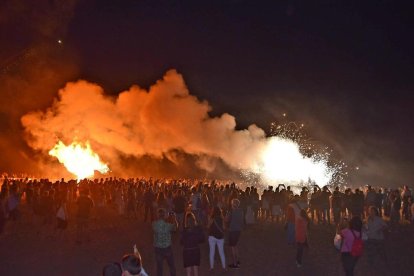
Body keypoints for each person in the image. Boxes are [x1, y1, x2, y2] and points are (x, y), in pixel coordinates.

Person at [152, 208, 178, 276]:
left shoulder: (154, 224)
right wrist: (174, 218)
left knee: (159, 267)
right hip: (167, 247)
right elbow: (175, 228)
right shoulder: (168, 225)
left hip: (158, 248)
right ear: (164, 215)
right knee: (171, 265)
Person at [181, 212, 204, 276]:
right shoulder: (197, 228)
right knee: (195, 270)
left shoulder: (184, 230)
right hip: (195, 250)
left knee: (188, 272)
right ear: (194, 219)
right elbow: (202, 239)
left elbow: (181, 242)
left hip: (187, 250)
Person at [208, 206, 226, 271]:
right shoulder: (222, 218)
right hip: (220, 237)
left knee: (212, 252)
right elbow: (224, 228)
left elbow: (208, 226)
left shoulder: (211, 218)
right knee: (221, 252)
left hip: (212, 236)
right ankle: (224, 267)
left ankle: (211, 267)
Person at [226, 198, 243, 269]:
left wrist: (227, 215)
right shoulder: (241, 211)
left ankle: (235, 263)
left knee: (232, 247)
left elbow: (226, 220)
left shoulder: (232, 212)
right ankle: (238, 260)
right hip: (238, 230)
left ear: (233, 204)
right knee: (235, 246)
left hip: (232, 230)